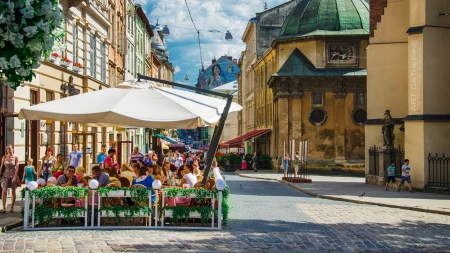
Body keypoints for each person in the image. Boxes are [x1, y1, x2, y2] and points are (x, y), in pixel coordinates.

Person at [0, 145, 21, 213]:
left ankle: (12, 207)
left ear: (13, 149)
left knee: (13, 192)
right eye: (7, 149)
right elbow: (1, 166)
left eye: (10, 149)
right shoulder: (4, 157)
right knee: (4, 190)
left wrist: (15, 177)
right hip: (5, 176)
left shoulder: (15, 157)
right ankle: (3, 208)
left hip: (13, 176)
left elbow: (17, 167)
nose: (8, 150)